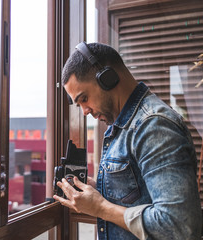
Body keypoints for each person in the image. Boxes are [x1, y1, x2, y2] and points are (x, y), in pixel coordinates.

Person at [53, 42, 202, 239]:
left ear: (108, 78)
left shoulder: (153, 126)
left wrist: (100, 207)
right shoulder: (123, 125)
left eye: (84, 98)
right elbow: (142, 192)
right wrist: (101, 189)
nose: (85, 111)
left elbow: (178, 225)